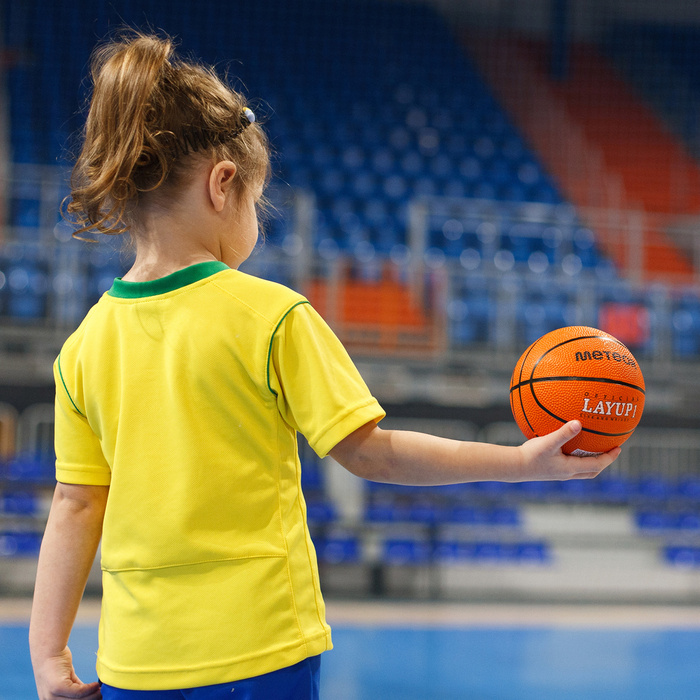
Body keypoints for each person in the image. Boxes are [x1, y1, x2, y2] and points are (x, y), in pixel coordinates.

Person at [29, 30, 620, 700]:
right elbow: (374, 454)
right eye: (258, 199)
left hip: (135, 665)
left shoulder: (83, 345)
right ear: (224, 185)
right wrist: (519, 463)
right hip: (260, 651)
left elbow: (76, 506)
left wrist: (49, 657)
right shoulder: (269, 315)